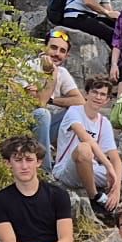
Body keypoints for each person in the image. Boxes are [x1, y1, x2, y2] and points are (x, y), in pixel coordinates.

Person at [53, 74, 122, 210]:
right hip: (67, 170)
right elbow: (86, 139)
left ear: (107, 100)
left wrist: (117, 188)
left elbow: (115, 157)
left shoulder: (104, 122)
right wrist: (108, 166)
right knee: (84, 148)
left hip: (92, 169)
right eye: (94, 92)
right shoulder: (74, 111)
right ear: (86, 94)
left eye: (102, 94)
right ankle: (94, 197)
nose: (98, 97)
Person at [24, 29, 83, 160]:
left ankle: (65, 160)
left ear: (67, 55)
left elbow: (80, 101)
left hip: (46, 127)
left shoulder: (62, 72)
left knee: (76, 112)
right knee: (43, 114)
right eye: (54, 48)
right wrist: (52, 75)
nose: (57, 54)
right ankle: (46, 170)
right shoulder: (28, 67)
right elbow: (40, 105)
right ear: (44, 48)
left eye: (62, 51)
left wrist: (52, 100)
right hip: (24, 125)